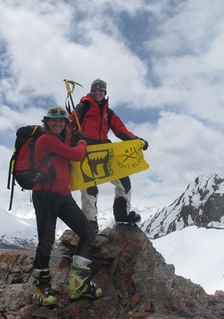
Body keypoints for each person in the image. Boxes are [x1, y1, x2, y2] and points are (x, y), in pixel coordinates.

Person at [31, 105, 103, 306]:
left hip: (63, 195)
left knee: (88, 233)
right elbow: (77, 154)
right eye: (53, 120)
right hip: (45, 196)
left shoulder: (60, 139)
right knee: (46, 241)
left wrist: (77, 114)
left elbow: (70, 131)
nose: (57, 123)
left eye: (61, 121)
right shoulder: (46, 140)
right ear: (46, 122)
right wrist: (82, 142)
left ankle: (79, 283)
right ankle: (41, 285)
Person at [67, 78, 149, 232]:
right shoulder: (82, 108)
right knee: (89, 187)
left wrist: (138, 141)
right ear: (91, 92)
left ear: (105, 92)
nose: (97, 92)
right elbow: (68, 126)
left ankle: (122, 215)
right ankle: (90, 222)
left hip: (105, 149)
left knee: (123, 181)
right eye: (94, 90)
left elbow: (121, 130)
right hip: (86, 148)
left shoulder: (108, 113)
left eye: (100, 90)